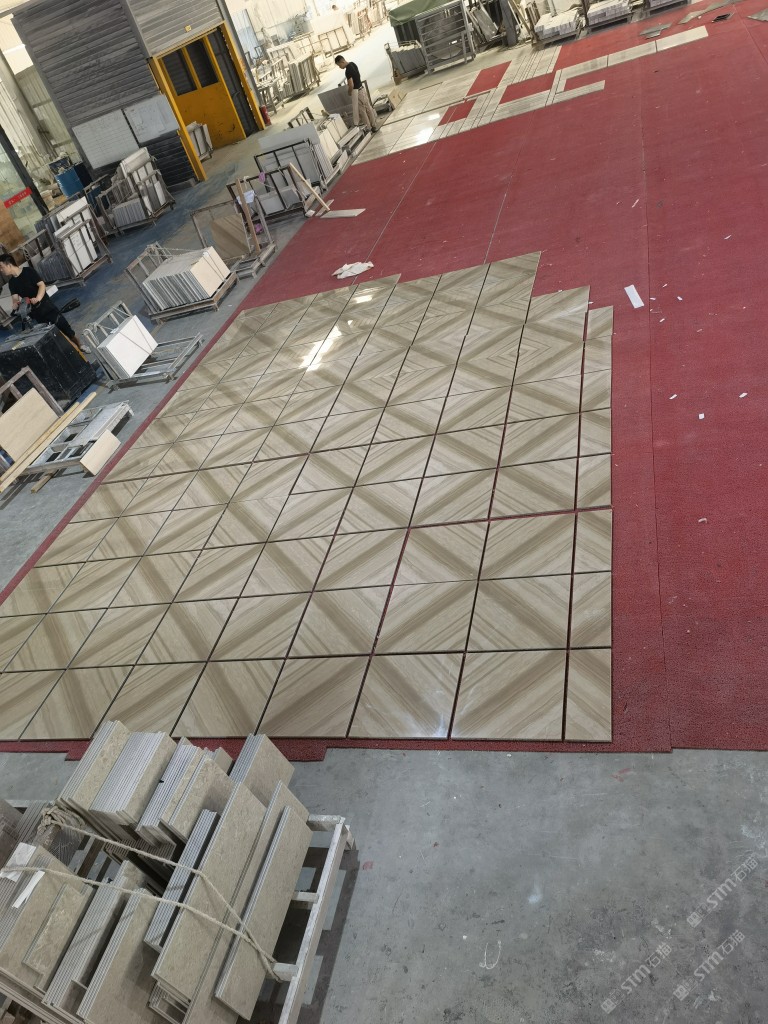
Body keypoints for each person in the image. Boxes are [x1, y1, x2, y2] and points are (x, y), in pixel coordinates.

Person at [0, 252, 86, 359]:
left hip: (47, 306)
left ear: (9, 265)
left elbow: (41, 285)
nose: (1, 270)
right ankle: (72, 353)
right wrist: (15, 303)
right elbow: (15, 297)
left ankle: (80, 345)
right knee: (52, 334)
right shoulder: (12, 283)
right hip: (36, 313)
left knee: (66, 328)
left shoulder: (28, 271)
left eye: (1, 267)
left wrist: (38, 298)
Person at [334, 54, 379, 133]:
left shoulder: (347, 71)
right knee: (368, 108)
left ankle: (368, 128)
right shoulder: (353, 64)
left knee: (362, 111)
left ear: (342, 62)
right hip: (362, 89)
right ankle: (374, 126)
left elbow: (351, 85)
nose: (339, 67)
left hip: (357, 92)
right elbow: (358, 76)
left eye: (339, 65)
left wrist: (349, 92)